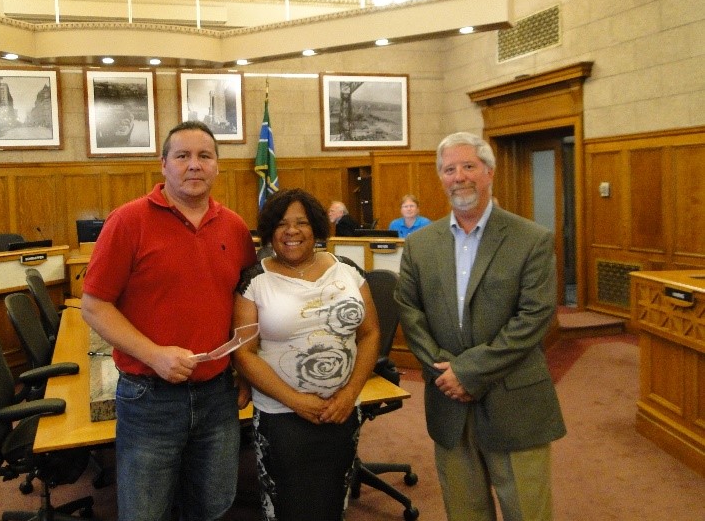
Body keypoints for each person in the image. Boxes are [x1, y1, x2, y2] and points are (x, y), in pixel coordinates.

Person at [80, 121, 257, 521]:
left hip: (217, 396)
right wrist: (155, 354)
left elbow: (246, 306)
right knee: (145, 511)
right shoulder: (127, 222)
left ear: (217, 167)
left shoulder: (234, 226)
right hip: (149, 397)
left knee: (213, 506)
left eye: (204, 156)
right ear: (163, 165)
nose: (193, 165)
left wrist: (246, 371)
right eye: (182, 156)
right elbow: (94, 306)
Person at [395, 132, 566, 521]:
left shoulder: (531, 239)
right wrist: (445, 371)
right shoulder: (421, 244)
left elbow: (534, 317)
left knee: (527, 511)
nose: (459, 177)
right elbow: (409, 309)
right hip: (447, 400)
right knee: (464, 511)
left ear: (489, 172)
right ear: (440, 178)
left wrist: (467, 372)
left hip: (514, 400)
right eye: (449, 169)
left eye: (469, 166)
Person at [232, 188, 380, 521]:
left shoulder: (349, 271)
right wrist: (297, 401)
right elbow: (245, 354)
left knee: (332, 500)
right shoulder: (255, 280)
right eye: (282, 223)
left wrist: (350, 394)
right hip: (281, 415)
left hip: (342, 410)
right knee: (288, 505)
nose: (292, 231)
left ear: (316, 227)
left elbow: (370, 334)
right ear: (271, 231)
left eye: (302, 222)